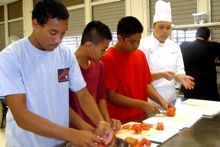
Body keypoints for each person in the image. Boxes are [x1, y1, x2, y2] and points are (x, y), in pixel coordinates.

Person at [0, 0, 115, 146]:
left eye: (63, 33)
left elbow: (84, 95)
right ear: (35, 24)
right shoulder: (11, 56)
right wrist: (72, 134)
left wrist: (101, 123)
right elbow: (21, 116)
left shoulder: (65, 54)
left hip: (59, 143)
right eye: (53, 33)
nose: (58, 40)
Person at [101, 16, 174, 122]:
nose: (136, 45)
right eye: (132, 42)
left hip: (140, 117)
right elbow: (111, 96)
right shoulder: (107, 58)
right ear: (120, 38)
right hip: (120, 121)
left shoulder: (140, 55)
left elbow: (146, 83)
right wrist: (142, 104)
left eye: (138, 41)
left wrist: (162, 101)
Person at [139, 0, 194, 104]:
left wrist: (182, 78)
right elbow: (141, 76)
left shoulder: (174, 46)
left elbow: (178, 71)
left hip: (171, 98)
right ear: (153, 26)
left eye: (168, 28)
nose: (165, 31)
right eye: (161, 27)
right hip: (150, 99)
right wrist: (161, 74)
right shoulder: (143, 45)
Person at [69, 20, 121, 130]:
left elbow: (101, 99)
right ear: (89, 45)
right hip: (75, 132)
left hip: (96, 129)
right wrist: (90, 129)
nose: (105, 54)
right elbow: (65, 107)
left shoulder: (99, 66)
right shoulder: (67, 67)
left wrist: (106, 123)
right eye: (103, 49)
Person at [180, 27, 220, 101]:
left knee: (189, 111)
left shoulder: (183, 45)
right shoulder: (214, 46)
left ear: (196, 35)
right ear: (208, 37)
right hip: (208, 89)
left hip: (190, 87)